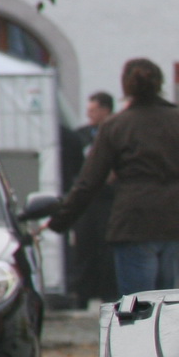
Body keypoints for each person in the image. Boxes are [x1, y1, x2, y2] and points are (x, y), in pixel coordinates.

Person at [47, 58, 179, 296]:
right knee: (167, 298)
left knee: (138, 303)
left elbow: (89, 181)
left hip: (135, 219)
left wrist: (60, 221)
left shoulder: (116, 125)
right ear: (160, 84)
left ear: (125, 86)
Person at [64, 91, 118, 305]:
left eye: (93, 111)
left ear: (106, 110)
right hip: (88, 200)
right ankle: (82, 292)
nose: (90, 115)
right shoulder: (82, 135)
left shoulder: (117, 131)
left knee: (108, 249)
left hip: (110, 200)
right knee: (84, 247)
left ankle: (109, 292)